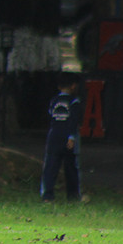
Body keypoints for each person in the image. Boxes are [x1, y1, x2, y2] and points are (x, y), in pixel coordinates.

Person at [40, 72, 83, 202]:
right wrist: (71, 137)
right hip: (67, 138)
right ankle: (73, 195)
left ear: (59, 86)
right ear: (74, 86)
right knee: (71, 168)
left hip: (53, 136)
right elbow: (74, 121)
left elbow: (50, 116)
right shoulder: (74, 102)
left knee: (51, 166)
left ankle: (47, 195)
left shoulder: (54, 101)